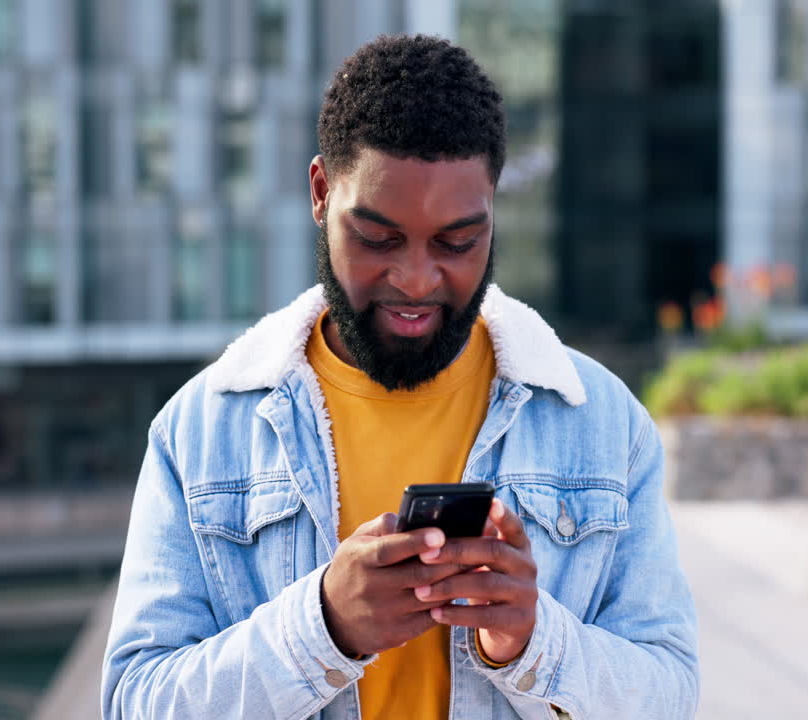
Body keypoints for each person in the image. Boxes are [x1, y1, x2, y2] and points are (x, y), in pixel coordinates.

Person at [101, 34, 699, 720]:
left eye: (457, 242)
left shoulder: (602, 422)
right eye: (378, 238)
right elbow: (132, 703)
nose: (416, 280)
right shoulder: (200, 430)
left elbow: (670, 695)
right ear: (322, 193)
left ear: (493, 210)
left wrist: (531, 642)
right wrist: (321, 628)